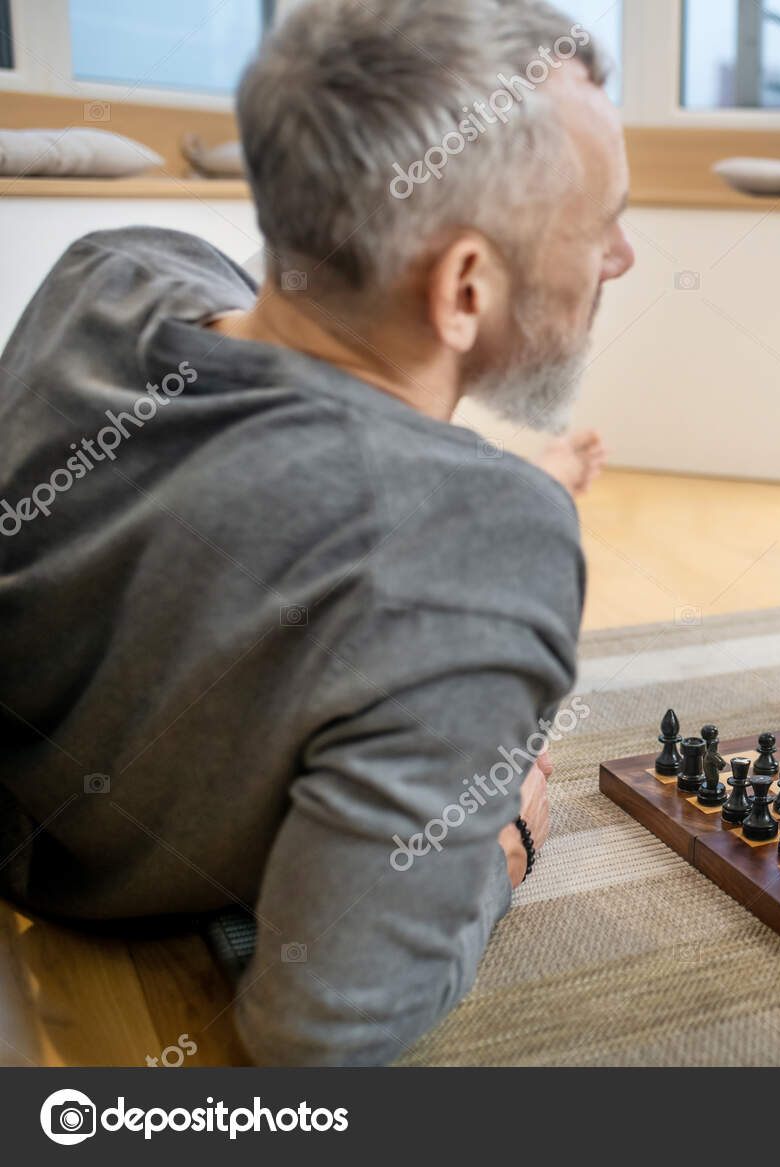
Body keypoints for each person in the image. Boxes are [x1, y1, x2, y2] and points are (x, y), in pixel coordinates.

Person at [0, 0, 632, 1063]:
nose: (619, 255)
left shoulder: (113, 268)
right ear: (464, 285)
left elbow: (288, 404)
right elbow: (322, 1035)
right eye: (600, 222)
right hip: (106, 911)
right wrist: (505, 847)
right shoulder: (484, 547)